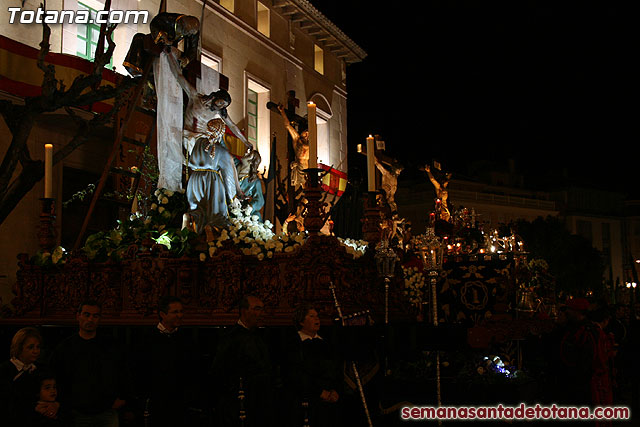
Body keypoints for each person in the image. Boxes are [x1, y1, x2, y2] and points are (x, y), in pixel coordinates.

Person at [50, 300, 131, 427]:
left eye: (95, 316)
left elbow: (123, 372)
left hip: (107, 411)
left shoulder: (111, 346)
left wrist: (123, 398)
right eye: (87, 315)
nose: (91, 319)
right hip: (76, 412)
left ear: (99, 318)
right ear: (78, 316)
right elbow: (57, 377)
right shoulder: (65, 348)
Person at [134, 296, 201, 427]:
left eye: (181, 311)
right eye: (175, 312)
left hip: (181, 404)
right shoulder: (147, 340)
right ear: (162, 314)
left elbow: (193, 371)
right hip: (156, 403)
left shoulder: (186, 340)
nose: (180, 315)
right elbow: (139, 371)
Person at [211, 296, 274, 427]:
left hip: (260, 401)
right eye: (256, 309)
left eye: (262, 309)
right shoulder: (231, 338)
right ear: (244, 311)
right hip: (238, 402)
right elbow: (219, 370)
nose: (260, 313)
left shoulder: (260, 337)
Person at [282, 304, 341, 427]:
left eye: (317, 316)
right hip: (304, 400)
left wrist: (334, 390)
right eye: (312, 316)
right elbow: (295, 373)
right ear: (302, 322)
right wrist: (319, 391)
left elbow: (334, 368)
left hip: (328, 401)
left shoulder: (325, 343)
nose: (317, 319)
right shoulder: (293, 344)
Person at [1, 327, 59, 427]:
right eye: (31, 347)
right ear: (19, 348)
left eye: (38, 347)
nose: (36, 351)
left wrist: (55, 405)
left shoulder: (41, 369)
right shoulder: (4, 370)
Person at [277, 103, 309, 189]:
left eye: (308, 133)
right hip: (300, 168)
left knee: (309, 192)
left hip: (309, 170)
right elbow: (288, 126)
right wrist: (282, 112)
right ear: (301, 132)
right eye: (305, 132)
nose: (306, 135)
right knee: (305, 190)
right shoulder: (297, 140)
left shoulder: (311, 143)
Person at [236, 149, 265, 221]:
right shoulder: (234, 164)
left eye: (249, 155)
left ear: (252, 162)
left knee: (256, 216)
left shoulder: (254, 181)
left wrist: (250, 207)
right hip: (224, 200)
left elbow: (260, 200)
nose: (245, 153)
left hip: (240, 209)